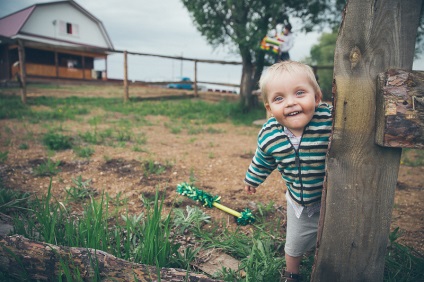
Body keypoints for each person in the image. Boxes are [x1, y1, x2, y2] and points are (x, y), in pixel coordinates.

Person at [244, 61, 332, 281]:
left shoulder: (329, 121)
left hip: (333, 198)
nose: (291, 103)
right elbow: (262, 159)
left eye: (300, 93)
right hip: (299, 201)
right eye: (279, 98)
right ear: (269, 109)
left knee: (336, 235)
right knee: (294, 243)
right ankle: (292, 273)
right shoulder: (269, 134)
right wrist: (252, 179)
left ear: (317, 98)